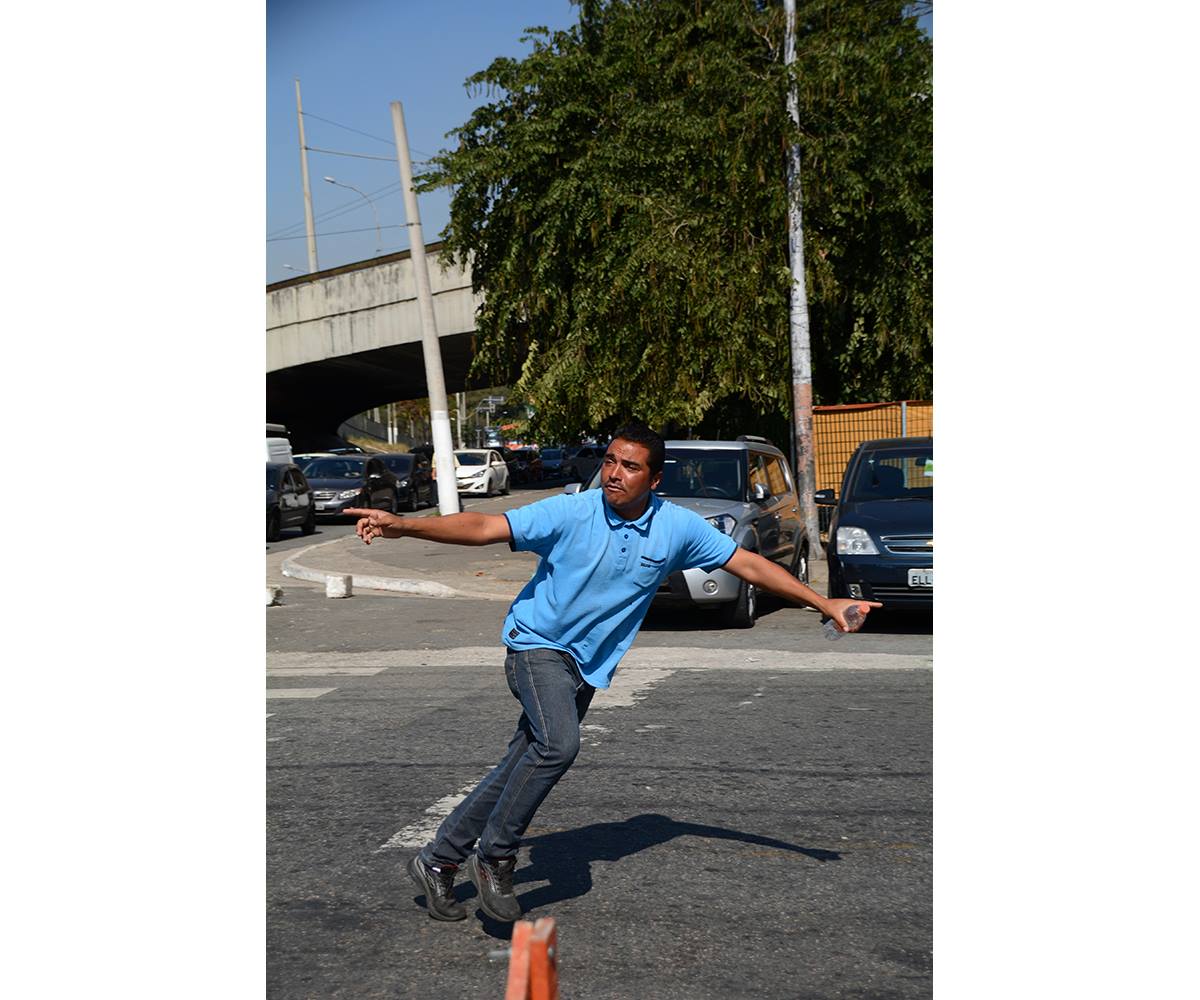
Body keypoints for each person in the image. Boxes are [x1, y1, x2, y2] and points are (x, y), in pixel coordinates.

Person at [344, 422, 879, 924]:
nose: (614, 474)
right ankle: (496, 857)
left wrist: (822, 604)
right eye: (610, 461)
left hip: (589, 664)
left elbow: (748, 565)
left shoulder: (675, 528)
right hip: (537, 647)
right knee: (558, 746)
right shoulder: (572, 512)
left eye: (630, 466)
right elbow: (486, 524)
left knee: (520, 764)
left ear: (655, 478)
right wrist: (406, 526)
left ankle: (438, 860)